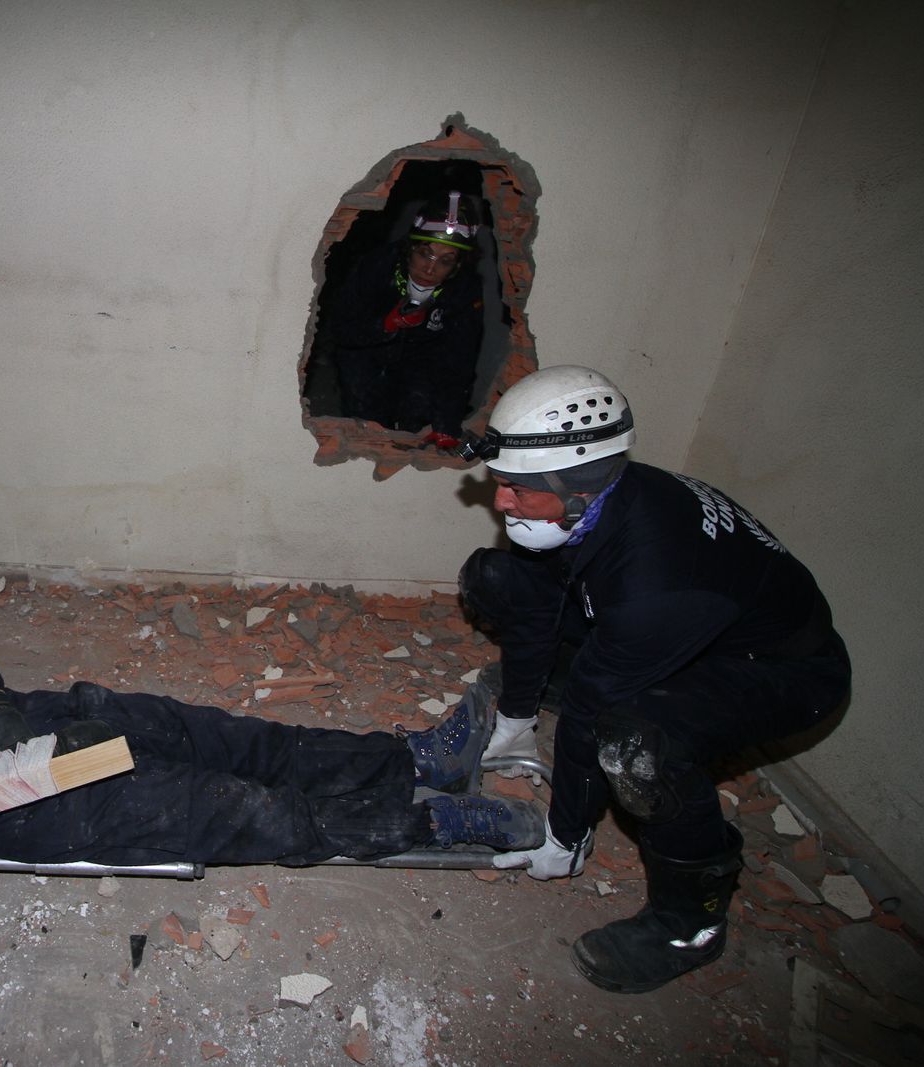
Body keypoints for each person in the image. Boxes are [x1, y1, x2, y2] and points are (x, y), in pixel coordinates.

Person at [450, 365, 851, 993]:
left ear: (576, 485)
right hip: (677, 631)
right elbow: (542, 601)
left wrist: (567, 832)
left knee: (636, 744)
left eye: (518, 490)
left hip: (781, 671)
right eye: (500, 484)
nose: (501, 502)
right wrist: (516, 719)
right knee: (500, 578)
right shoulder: (607, 495)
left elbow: (590, 709)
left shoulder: (658, 583)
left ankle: (689, 925)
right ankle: (554, 700)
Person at [0, 638, 547, 866]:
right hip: (37, 801)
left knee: (255, 741)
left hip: (69, 715)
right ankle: (433, 824)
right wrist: (2, 761)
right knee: (253, 813)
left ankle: (410, 761)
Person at [329, 193, 485, 440]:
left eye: (445, 261)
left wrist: (446, 424)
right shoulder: (376, 268)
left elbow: (459, 362)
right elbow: (340, 328)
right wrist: (384, 325)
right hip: (365, 355)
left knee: (417, 415)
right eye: (425, 254)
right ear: (411, 248)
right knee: (367, 420)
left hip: (421, 359)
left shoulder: (463, 291)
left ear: (457, 266)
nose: (430, 269)